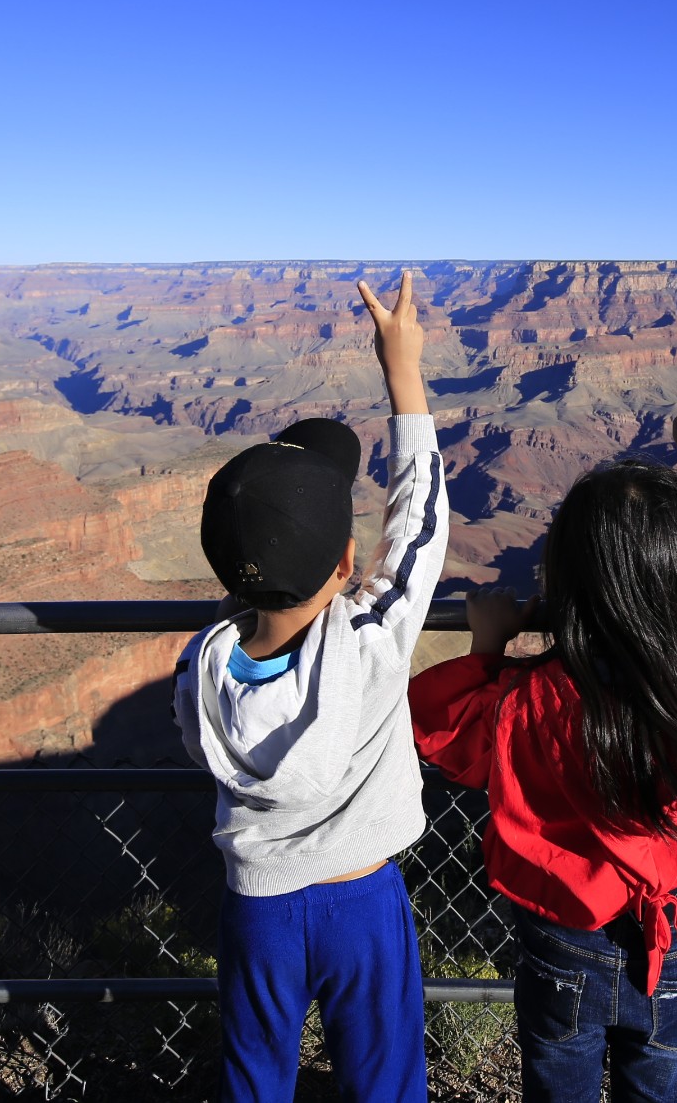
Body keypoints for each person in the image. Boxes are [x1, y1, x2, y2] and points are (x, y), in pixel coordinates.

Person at [408, 377, 677, 1102]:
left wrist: (489, 648)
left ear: (567, 580)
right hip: (676, 932)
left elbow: (439, 726)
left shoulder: (528, 699)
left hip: (563, 938)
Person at [173, 270, 447, 1103]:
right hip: (362, 900)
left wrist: (259, 586)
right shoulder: (372, 642)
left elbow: (205, 723)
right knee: (385, 1079)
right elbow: (420, 527)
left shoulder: (201, 667)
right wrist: (404, 372)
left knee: (255, 1078)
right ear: (343, 566)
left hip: (257, 907)